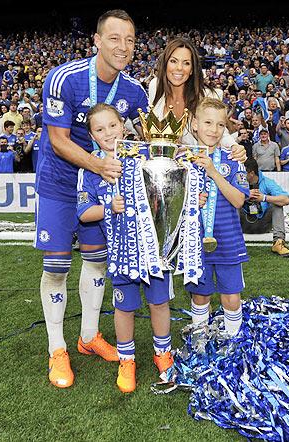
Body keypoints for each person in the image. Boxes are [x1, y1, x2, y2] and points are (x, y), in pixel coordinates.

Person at [34, 9, 147, 389]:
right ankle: (57, 349)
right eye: (114, 38)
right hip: (60, 183)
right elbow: (58, 140)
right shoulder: (65, 78)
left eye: (130, 40)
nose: (123, 47)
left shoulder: (135, 91)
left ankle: (88, 337)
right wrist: (100, 166)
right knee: (57, 267)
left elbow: (149, 141)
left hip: (103, 187)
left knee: (98, 264)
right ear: (97, 41)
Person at [75, 103, 176, 393]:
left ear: (123, 125)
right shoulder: (91, 167)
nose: (108, 133)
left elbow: (178, 169)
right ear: (92, 136)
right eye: (99, 129)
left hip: (154, 249)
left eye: (112, 125)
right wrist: (109, 206)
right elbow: (83, 211)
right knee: (124, 307)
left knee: (159, 302)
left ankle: (162, 354)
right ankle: (127, 359)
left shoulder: (146, 154)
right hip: (121, 253)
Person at [188, 98, 250, 339]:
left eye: (220, 125)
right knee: (200, 294)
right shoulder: (183, 159)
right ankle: (200, 341)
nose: (214, 130)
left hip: (228, 237)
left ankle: (233, 341)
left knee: (231, 295)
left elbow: (239, 200)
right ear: (194, 124)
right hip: (194, 239)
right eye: (207, 123)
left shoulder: (233, 159)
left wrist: (213, 173)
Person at [147, 37, 246, 161]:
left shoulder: (208, 95)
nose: (179, 68)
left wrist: (234, 146)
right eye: (173, 61)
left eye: (186, 63)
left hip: (196, 169)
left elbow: (219, 131)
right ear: (165, 64)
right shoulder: (155, 87)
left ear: (192, 69)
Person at [240, 158, 289, 257]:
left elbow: (286, 200)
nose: (240, 176)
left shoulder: (267, 182)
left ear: (251, 173)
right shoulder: (237, 182)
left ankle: (278, 243)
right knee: (233, 203)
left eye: (242, 173)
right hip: (242, 225)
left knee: (276, 204)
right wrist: (245, 196)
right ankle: (229, 242)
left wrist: (264, 198)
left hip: (263, 225)